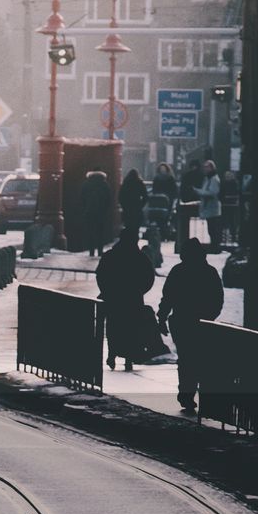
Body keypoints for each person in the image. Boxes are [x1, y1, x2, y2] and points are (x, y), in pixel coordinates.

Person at [158, 237, 224, 413]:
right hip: (202, 323)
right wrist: (209, 317)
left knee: (186, 358)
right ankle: (200, 394)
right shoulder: (209, 272)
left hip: (181, 321)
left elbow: (168, 297)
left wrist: (162, 317)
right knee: (201, 357)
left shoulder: (178, 271)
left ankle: (186, 394)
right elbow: (218, 298)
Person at [95, 228, 156, 372]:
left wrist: (106, 291)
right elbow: (149, 277)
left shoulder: (110, 255)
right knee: (132, 329)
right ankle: (129, 358)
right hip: (133, 299)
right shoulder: (140, 257)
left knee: (114, 328)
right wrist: (139, 290)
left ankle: (112, 355)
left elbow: (101, 275)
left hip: (113, 298)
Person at [78, 170, 113, 257]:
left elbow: (82, 198)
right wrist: (106, 210)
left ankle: (91, 251)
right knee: (100, 232)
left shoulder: (86, 184)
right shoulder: (104, 184)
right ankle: (100, 251)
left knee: (90, 232)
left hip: (89, 212)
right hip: (101, 212)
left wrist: (84, 208)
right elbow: (108, 199)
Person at [177, 159, 203, 251]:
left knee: (186, 226)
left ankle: (184, 243)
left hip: (187, 202)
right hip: (199, 201)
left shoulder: (186, 176)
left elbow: (182, 189)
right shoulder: (202, 176)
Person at [199, 160, 223, 252]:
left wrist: (201, 192)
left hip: (213, 207)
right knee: (211, 229)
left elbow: (213, 192)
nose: (205, 169)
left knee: (214, 229)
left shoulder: (214, 179)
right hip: (208, 207)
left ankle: (215, 247)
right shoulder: (207, 178)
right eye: (204, 167)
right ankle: (214, 246)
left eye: (207, 167)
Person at [117, 167, 147, 233]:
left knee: (128, 226)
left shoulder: (125, 183)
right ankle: (135, 241)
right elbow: (145, 197)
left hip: (127, 208)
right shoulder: (140, 183)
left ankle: (129, 240)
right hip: (137, 207)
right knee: (136, 227)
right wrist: (141, 205)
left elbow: (120, 196)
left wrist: (123, 206)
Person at [221, 170, 240, 245]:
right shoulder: (225, 183)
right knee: (226, 222)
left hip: (231, 205)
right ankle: (225, 238)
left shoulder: (234, 183)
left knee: (231, 222)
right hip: (226, 205)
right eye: (226, 175)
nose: (227, 177)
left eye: (229, 175)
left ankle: (232, 237)